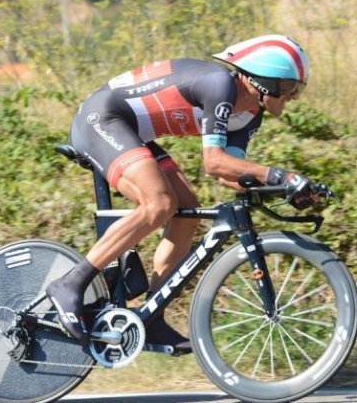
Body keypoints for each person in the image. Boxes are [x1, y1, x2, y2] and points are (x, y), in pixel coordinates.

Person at [46, 34, 319, 352]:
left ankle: (152, 317)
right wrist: (281, 175)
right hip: (101, 119)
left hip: (131, 131)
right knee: (159, 202)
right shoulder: (221, 85)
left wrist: (283, 189)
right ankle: (70, 284)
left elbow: (231, 175)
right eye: (290, 88)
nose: (294, 97)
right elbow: (214, 162)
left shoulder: (249, 114)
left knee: (186, 210)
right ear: (264, 80)